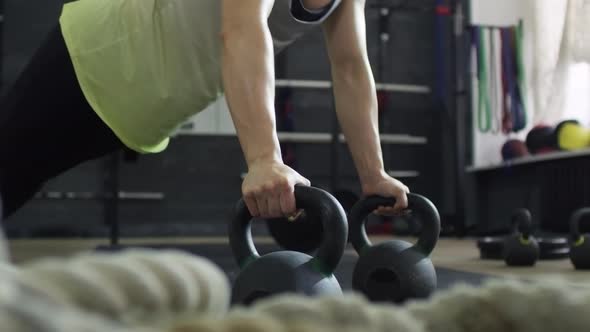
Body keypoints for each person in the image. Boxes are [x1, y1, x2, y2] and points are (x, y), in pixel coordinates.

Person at [0, 0, 409, 220]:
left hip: (141, 113)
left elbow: (352, 67)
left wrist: (373, 175)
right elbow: (243, 29)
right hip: (96, 55)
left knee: (18, 180)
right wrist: (265, 159)